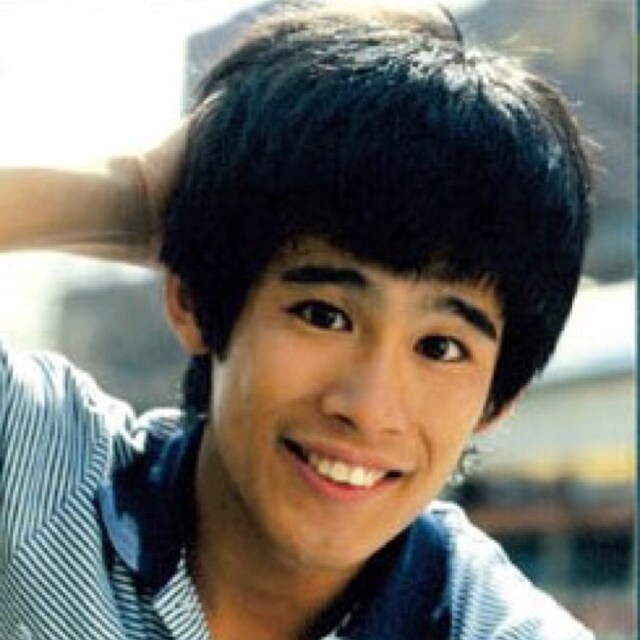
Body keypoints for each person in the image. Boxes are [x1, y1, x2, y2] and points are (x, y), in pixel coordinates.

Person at [0, 2, 595, 639]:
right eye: (324, 315)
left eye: (441, 348)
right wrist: (133, 196)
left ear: (497, 399)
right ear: (194, 301)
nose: (368, 408)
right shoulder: (39, 476)